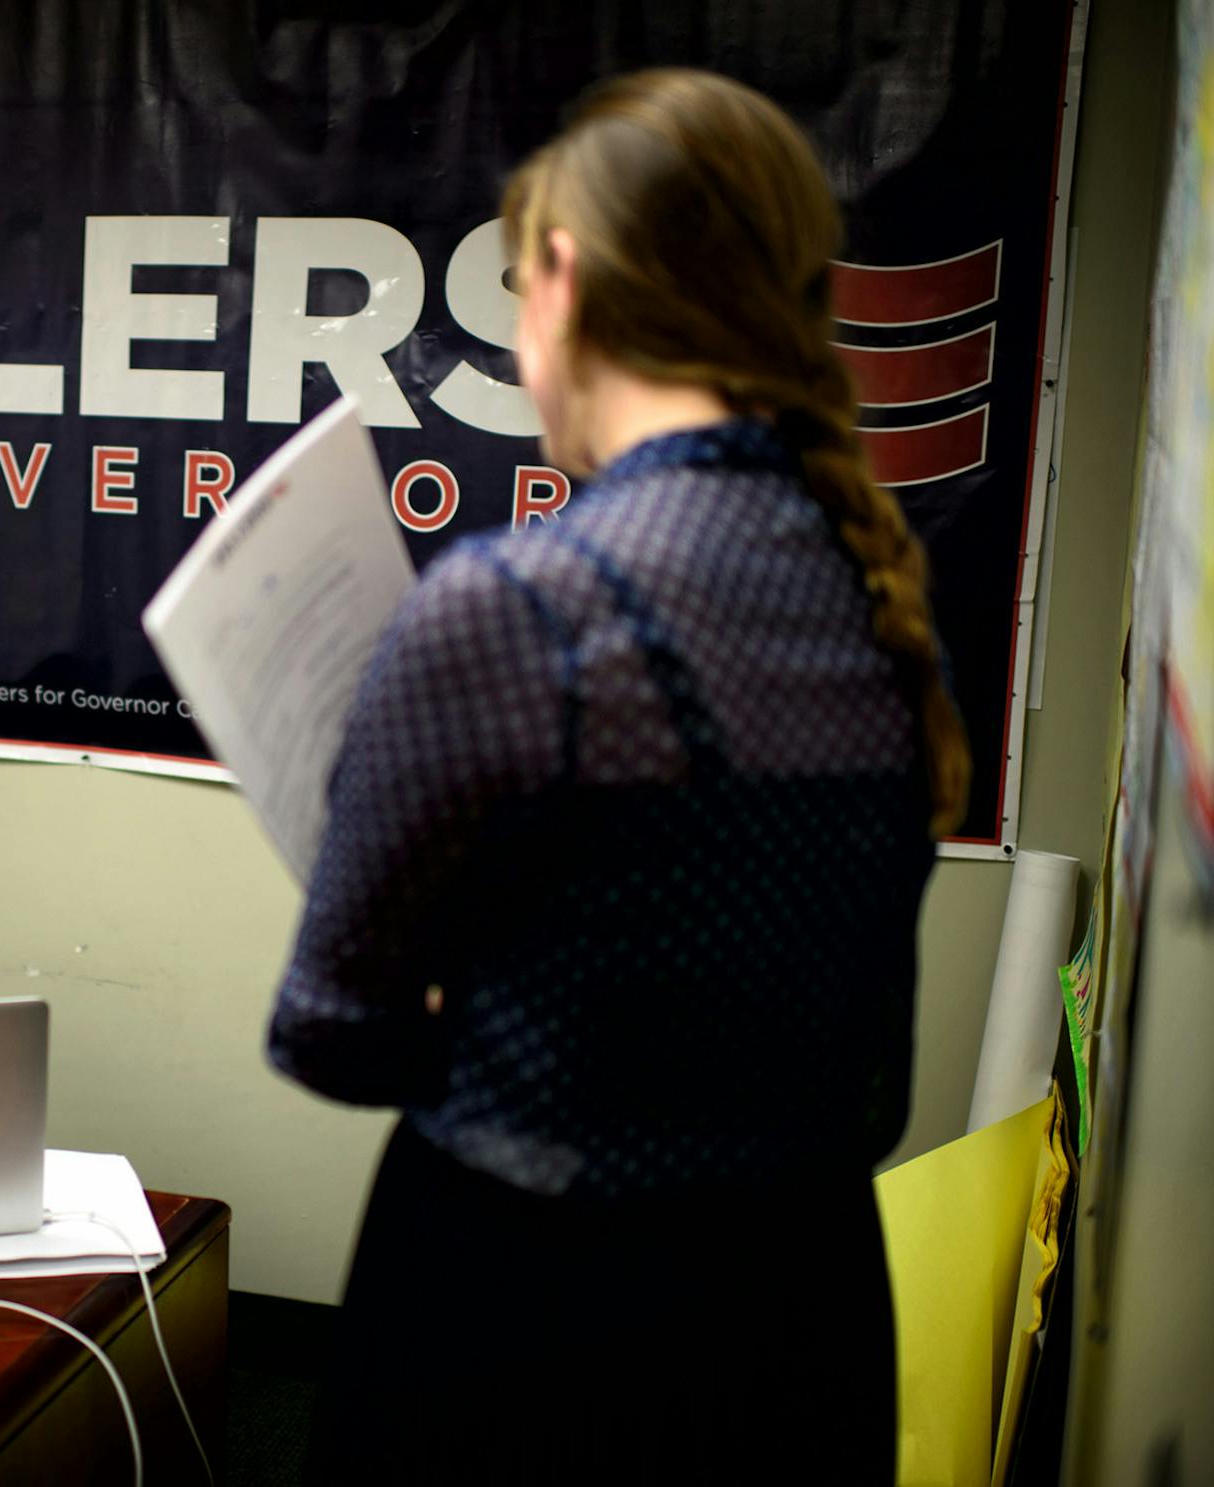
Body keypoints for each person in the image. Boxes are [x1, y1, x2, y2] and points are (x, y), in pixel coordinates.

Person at [267, 69, 968, 1482]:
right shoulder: (874, 584)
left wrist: (470, 996)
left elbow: (329, 1026)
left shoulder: (515, 605)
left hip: (528, 1332)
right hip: (807, 1321)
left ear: (564, 282)